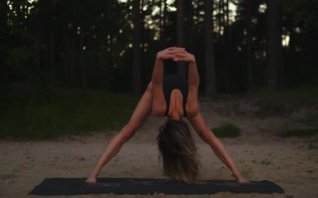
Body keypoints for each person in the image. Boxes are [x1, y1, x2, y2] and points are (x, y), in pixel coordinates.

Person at [86, 47, 248, 184]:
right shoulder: (189, 108)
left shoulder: (160, 108)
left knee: (127, 131)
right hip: (156, 89)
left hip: (157, 89)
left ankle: (93, 174)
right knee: (207, 136)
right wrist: (192, 62)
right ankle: (94, 173)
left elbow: (160, 83)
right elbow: (190, 84)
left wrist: (160, 59)